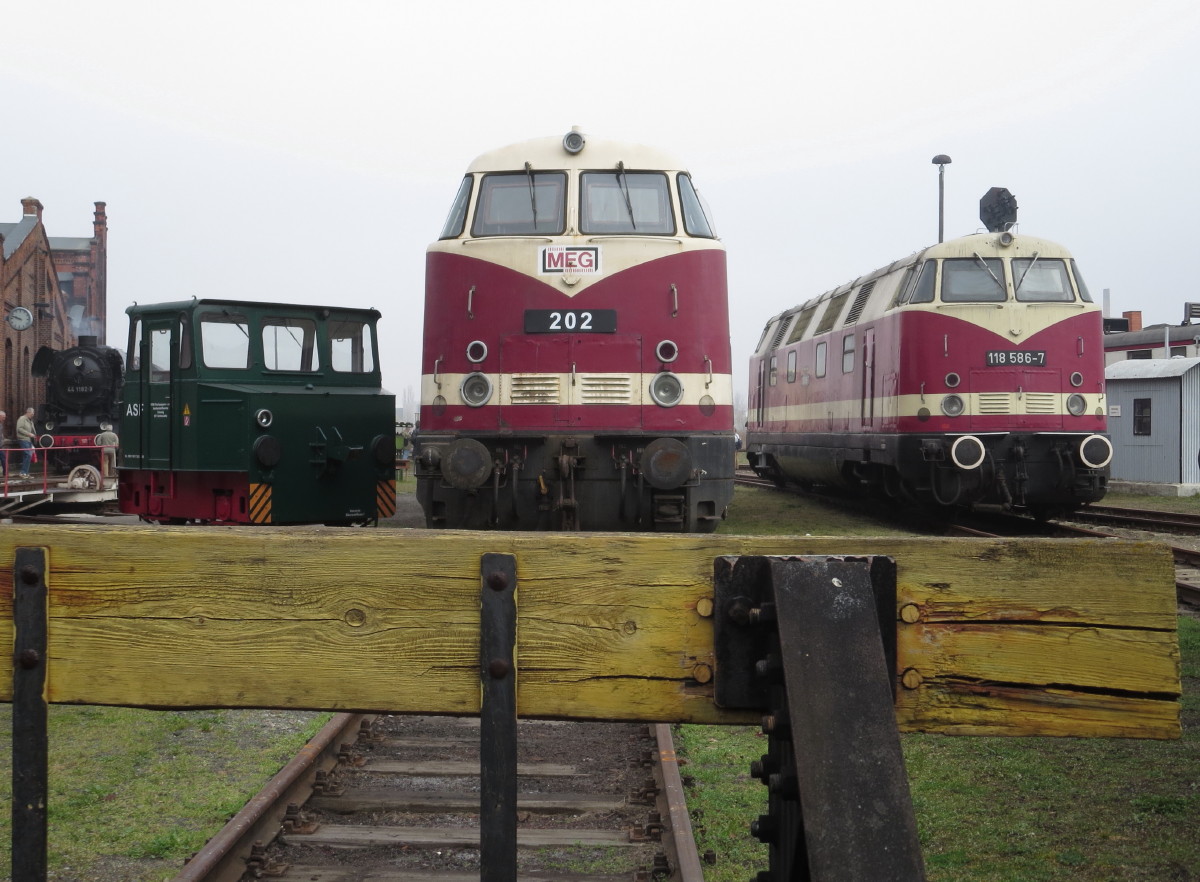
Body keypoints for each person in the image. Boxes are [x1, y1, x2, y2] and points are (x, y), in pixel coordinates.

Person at [16, 406, 36, 478]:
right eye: (32, 413)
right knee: (28, 455)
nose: (33, 415)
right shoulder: (22, 419)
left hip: (29, 440)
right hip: (23, 439)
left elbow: (32, 430)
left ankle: (25, 473)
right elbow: (19, 429)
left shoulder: (30, 420)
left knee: (27, 456)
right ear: (28, 412)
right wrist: (29, 434)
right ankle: (23, 472)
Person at [0, 410, 8, 477]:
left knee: (4, 459)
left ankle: (5, 473)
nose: (4, 419)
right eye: (3, 417)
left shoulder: (1, 424)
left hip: (1, 445)